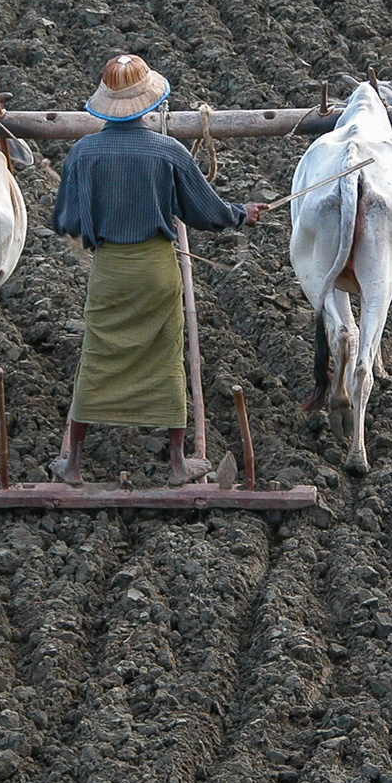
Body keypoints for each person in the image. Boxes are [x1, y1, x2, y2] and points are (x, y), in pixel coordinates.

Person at [49, 54, 269, 485]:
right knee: (168, 357)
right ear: (149, 102)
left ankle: (73, 465)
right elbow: (207, 212)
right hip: (156, 269)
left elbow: (69, 220)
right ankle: (177, 464)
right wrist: (242, 213)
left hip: (110, 271)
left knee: (97, 357)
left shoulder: (82, 153)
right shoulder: (169, 151)